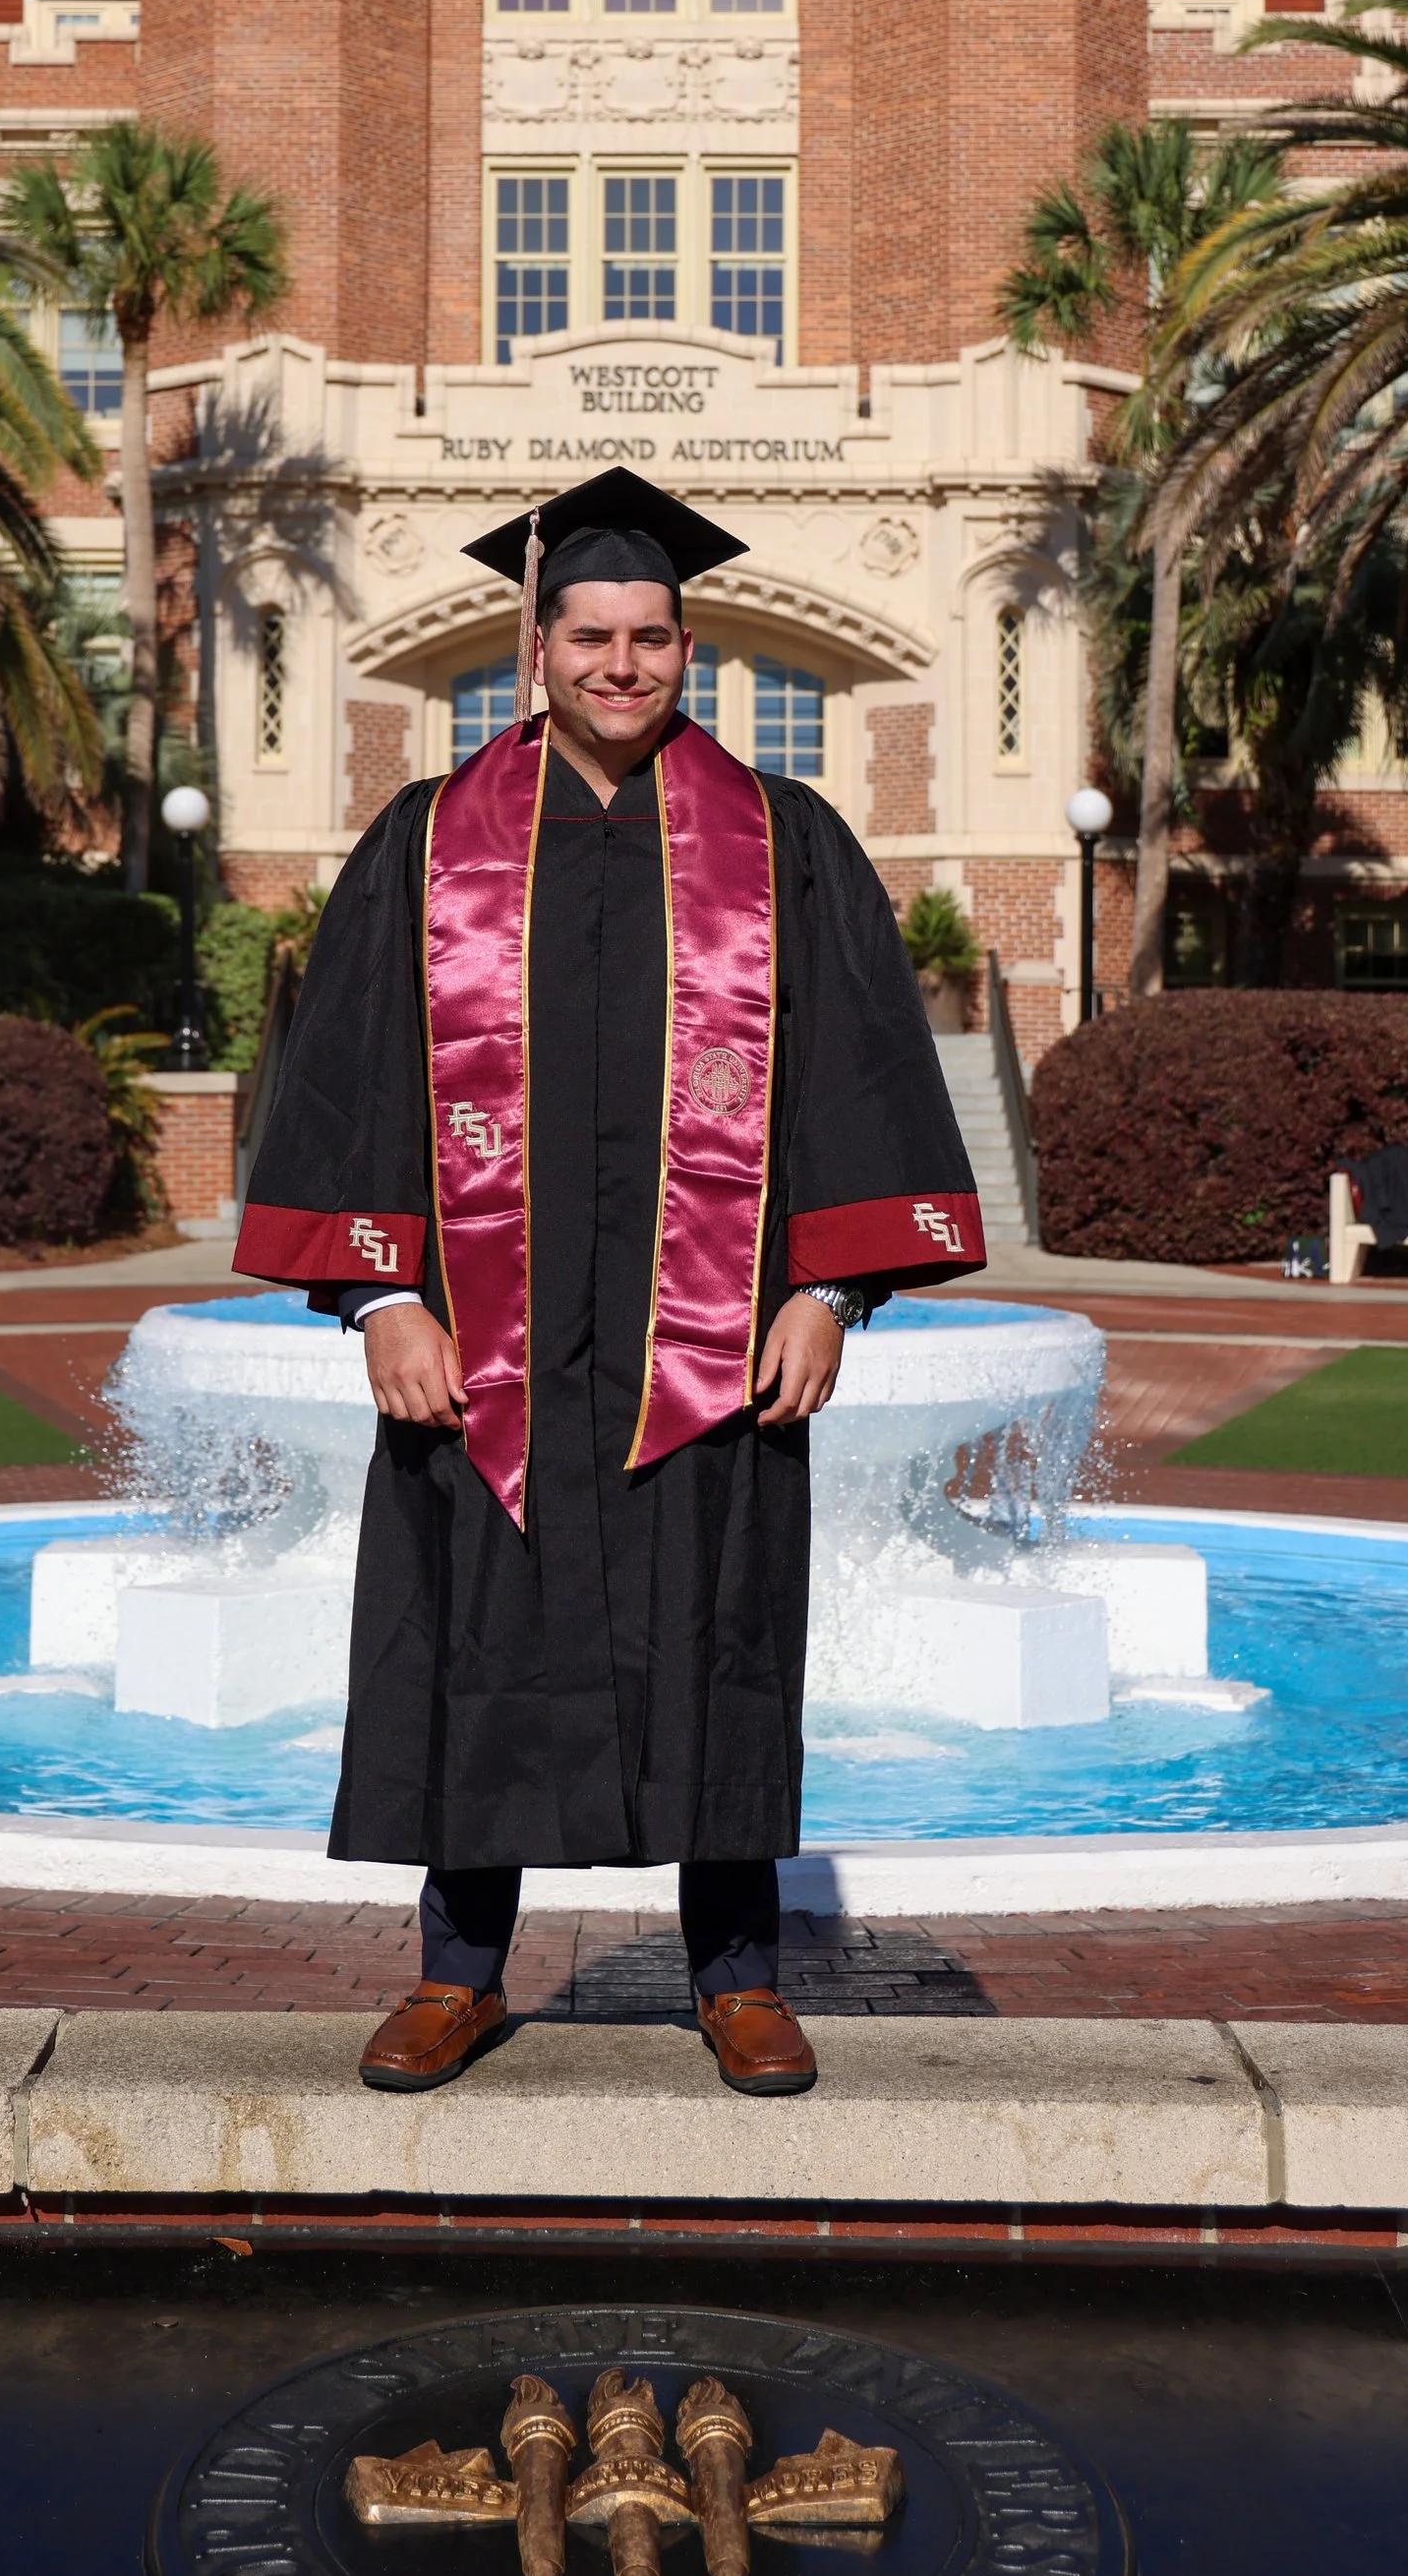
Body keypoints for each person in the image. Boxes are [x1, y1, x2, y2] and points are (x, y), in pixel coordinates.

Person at [233, 467, 985, 2095]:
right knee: (478, 1633)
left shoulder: (783, 839)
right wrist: (384, 1300)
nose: (624, 665)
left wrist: (830, 1293)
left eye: (652, 636)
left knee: (712, 1636)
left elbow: (855, 1077)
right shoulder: (429, 841)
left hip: (710, 1343)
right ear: (539, 642)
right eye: (594, 635)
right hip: (480, 1344)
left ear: (687, 644)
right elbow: (344, 1077)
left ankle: (736, 1975)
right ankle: (458, 1972)